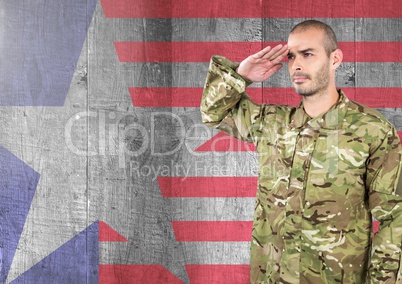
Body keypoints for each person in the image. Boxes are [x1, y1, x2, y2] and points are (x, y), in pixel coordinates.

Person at [200, 20, 402, 283]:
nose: (296, 64)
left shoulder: (371, 130)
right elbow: (214, 111)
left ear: (335, 59)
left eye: (308, 54)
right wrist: (241, 75)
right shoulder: (271, 123)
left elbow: (394, 217)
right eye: (291, 56)